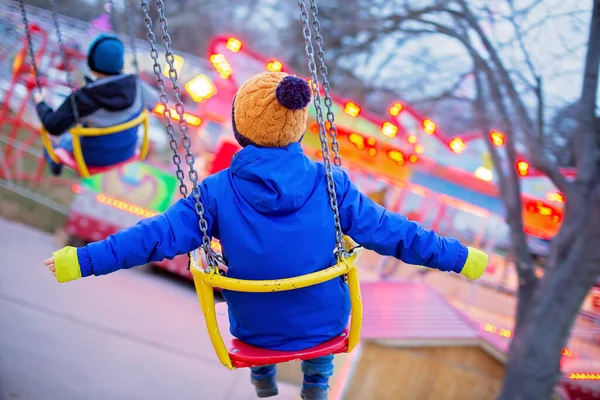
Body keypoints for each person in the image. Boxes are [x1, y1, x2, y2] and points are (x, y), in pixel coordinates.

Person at [44, 71, 488, 400]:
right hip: (324, 329)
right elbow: (397, 234)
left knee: (263, 312)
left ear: (241, 129)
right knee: (319, 302)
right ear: (297, 127)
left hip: (253, 332)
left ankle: (264, 382)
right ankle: (317, 384)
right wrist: (462, 258)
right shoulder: (331, 185)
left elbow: (152, 237)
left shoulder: (216, 192)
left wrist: (81, 260)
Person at [33, 33, 159, 176]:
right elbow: (153, 102)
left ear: (91, 63)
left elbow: (53, 127)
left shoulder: (84, 97)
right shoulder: (136, 85)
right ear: (121, 64)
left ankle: (54, 161)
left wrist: (40, 103)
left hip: (92, 158)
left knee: (64, 138)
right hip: (126, 151)